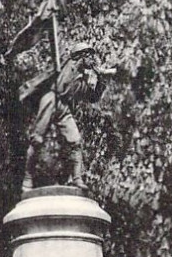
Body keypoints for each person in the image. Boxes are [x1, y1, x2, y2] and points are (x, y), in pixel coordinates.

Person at [21, 45, 114, 193]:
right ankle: (27, 178)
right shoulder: (66, 64)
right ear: (82, 56)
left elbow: (93, 98)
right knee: (37, 140)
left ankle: (77, 179)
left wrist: (102, 79)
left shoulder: (85, 79)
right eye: (89, 56)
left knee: (75, 142)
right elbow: (63, 59)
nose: (93, 60)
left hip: (64, 107)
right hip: (51, 99)